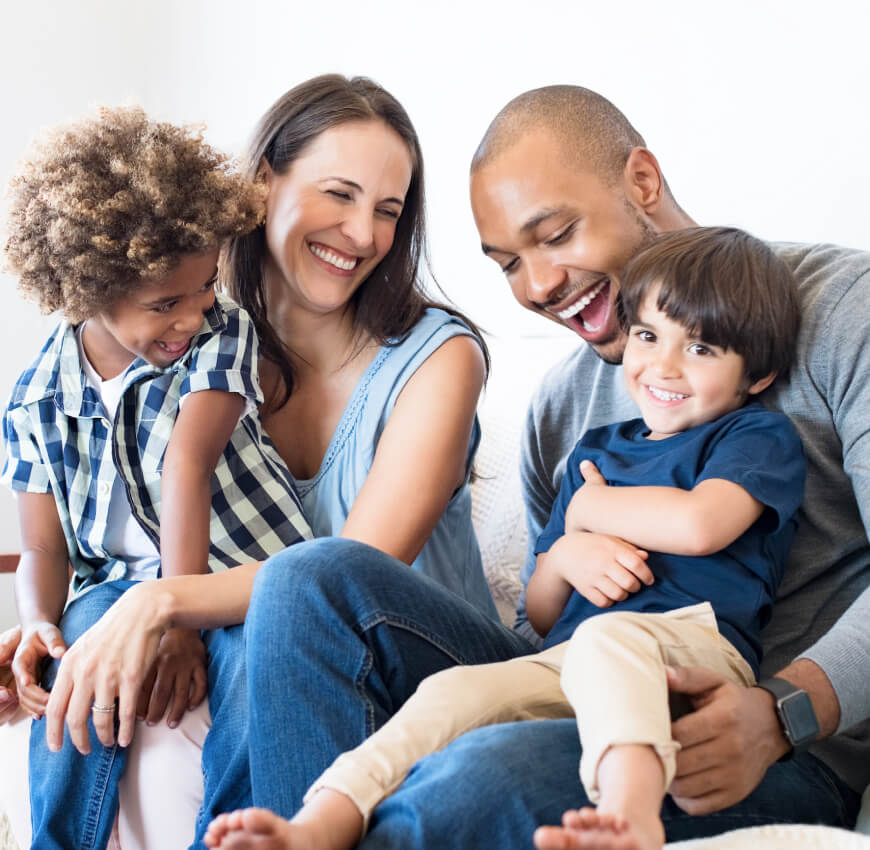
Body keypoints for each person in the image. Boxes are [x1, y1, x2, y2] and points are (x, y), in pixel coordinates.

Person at [199, 85, 868, 848]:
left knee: (480, 774)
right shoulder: (563, 405)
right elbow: (542, 626)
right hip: (574, 676)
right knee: (306, 577)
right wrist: (564, 551)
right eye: (508, 263)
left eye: (556, 234)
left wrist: (784, 713)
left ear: (641, 183)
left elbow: (703, 526)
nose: (539, 286)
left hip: (759, 740)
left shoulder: (843, 310)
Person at [0, 74, 505, 849]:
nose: (364, 234)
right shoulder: (180, 328)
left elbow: (347, 577)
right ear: (263, 183)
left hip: (409, 664)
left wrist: (162, 602)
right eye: (339, 194)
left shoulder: (438, 358)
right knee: (100, 646)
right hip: (272, 649)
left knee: (281, 612)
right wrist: (54, 629)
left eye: (388, 211)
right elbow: (87, 517)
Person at [1, 105, 311, 850]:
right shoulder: (36, 396)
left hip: (244, 572)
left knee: (251, 667)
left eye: (204, 286)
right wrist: (39, 626)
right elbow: (43, 547)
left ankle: (234, 836)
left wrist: (176, 615)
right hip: (114, 587)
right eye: (165, 303)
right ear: (86, 292)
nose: (192, 314)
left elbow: (186, 464)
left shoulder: (220, 331)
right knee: (79, 649)